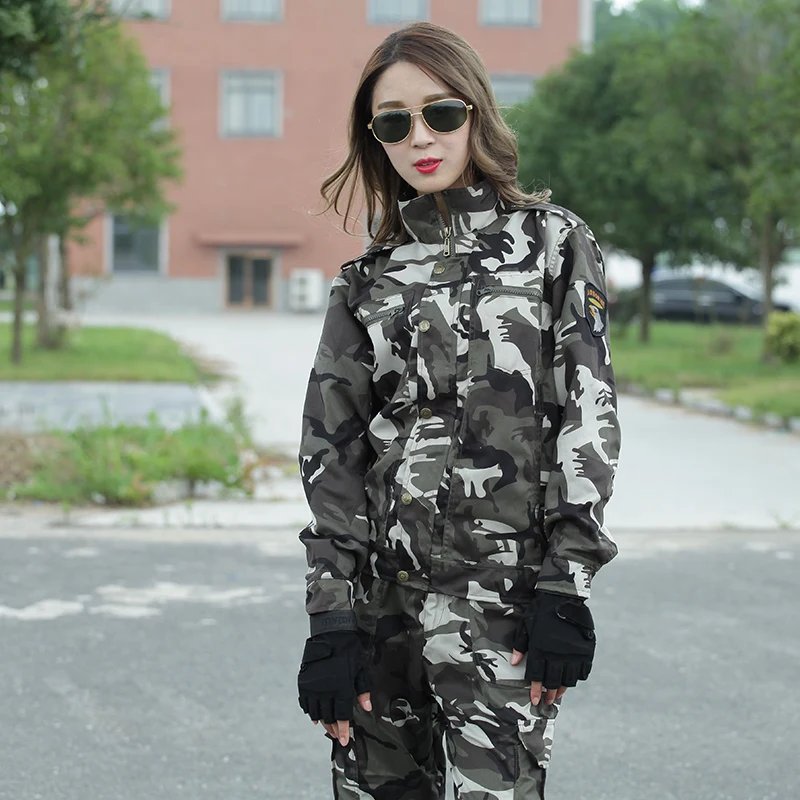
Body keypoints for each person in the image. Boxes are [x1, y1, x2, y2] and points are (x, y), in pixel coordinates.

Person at [296, 22, 621, 800]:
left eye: (440, 113)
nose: (421, 137)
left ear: (476, 111)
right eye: (394, 123)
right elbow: (332, 454)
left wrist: (566, 585)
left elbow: (587, 414)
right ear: (375, 138)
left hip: (502, 609)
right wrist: (330, 620)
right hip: (381, 612)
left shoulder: (552, 245)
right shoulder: (366, 280)